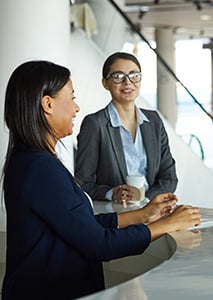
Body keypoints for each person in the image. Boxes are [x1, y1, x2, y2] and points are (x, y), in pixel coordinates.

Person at [1, 60, 201, 299]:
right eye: (72, 98)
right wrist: (166, 225)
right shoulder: (40, 168)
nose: (76, 108)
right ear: (48, 104)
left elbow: (79, 223)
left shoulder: (32, 161)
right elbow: (99, 243)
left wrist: (143, 214)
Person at [76, 52, 177, 203]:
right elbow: (83, 183)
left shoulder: (154, 121)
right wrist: (112, 193)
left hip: (152, 210)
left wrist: (145, 201)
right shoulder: (95, 124)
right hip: (117, 214)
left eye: (134, 75)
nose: (128, 82)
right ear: (105, 83)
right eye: (118, 76)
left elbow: (169, 178)